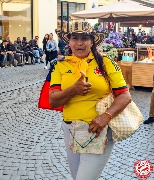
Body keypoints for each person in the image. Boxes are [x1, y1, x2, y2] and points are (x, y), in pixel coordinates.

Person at [49, 21, 131, 180]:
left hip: (97, 129)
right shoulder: (61, 65)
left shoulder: (106, 62)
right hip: (70, 130)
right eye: (75, 38)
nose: (79, 43)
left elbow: (125, 96)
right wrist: (73, 90)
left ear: (92, 41)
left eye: (85, 38)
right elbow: (53, 101)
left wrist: (105, 117)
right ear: (69, 41)